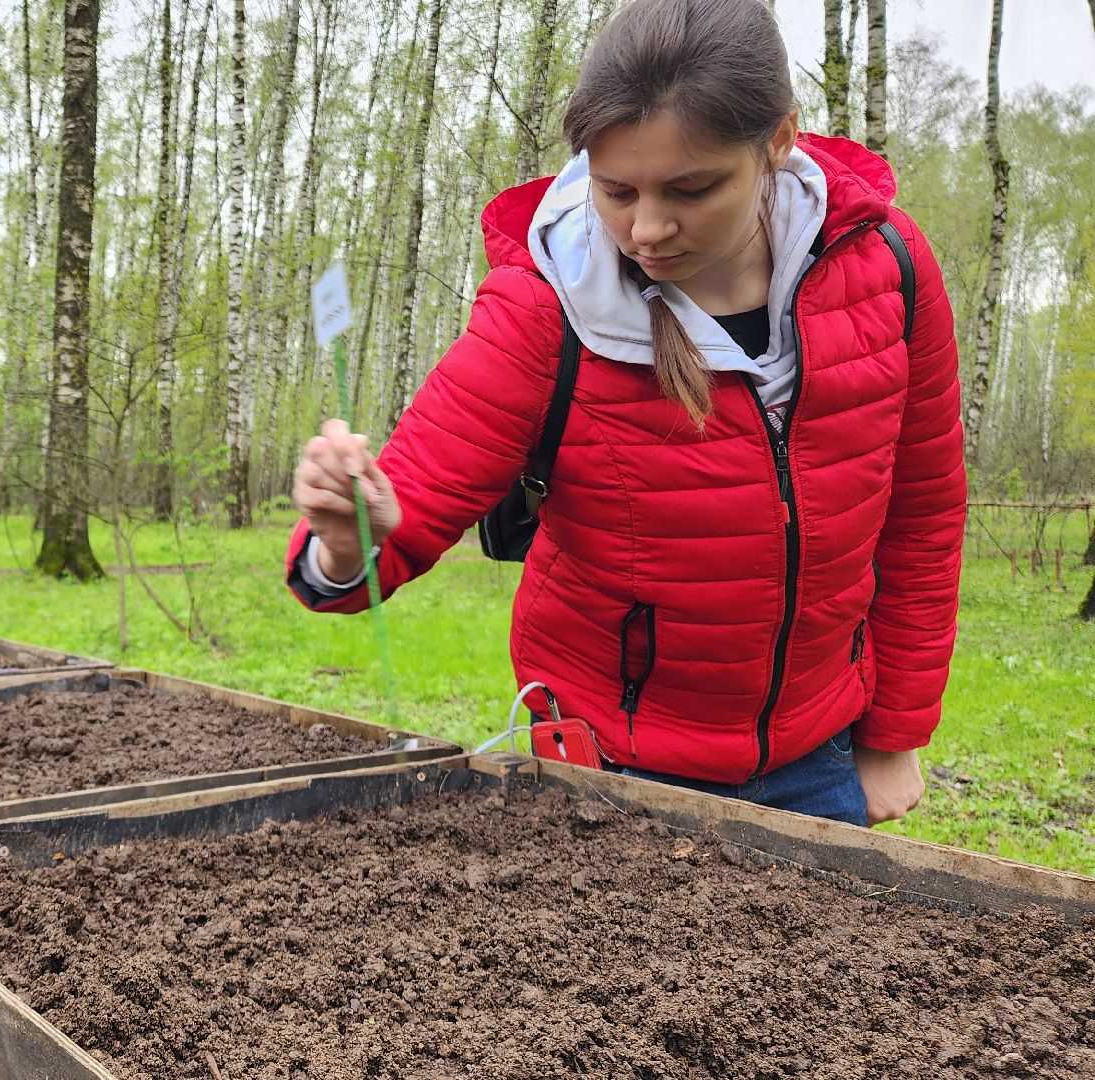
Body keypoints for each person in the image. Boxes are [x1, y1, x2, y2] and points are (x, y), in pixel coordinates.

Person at [288, 0, 964, 829]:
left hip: (817, 759)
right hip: (605, 773)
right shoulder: (545, 307)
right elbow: (393, 520)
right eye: (616, 190)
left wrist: (892, 734)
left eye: (692, 188)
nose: (646, 228)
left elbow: (923, 515)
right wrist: (346, 538)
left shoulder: (886, 269)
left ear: (779, 141)